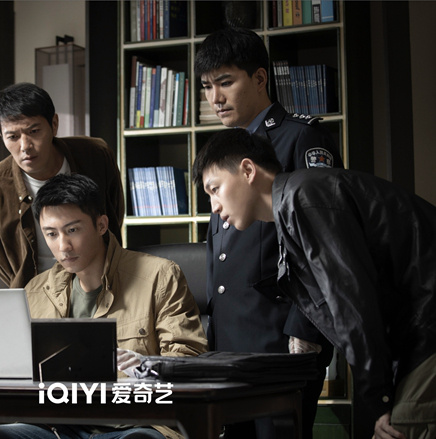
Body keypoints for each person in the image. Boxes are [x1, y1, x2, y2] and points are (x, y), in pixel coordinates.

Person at [0, 173, 207, 439]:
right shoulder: (38, 290)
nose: (62, 246)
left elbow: (188, 361)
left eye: (73, 230)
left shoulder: (158, 276)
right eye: (51, 234)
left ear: (101, 225)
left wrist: (140, 369)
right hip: (58, 426)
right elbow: (1, 360)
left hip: (135, 425)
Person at [193, 128, 436, 439]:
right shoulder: (294, 204)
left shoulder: (304, 198)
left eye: (215, 189)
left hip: (427, 322)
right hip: (416, 329)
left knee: (401, 428)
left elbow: (352, 303)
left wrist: (379, 401)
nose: (214, 207)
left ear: (248, 170)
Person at [194, 26, 343, 438]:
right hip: (229, 343)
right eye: (207, 86)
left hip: (283, 338)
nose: (215, 98)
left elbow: (325, 239)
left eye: (226, 82)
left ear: (260, 78)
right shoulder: (223, 149)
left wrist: (307, 326)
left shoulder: (301, 137)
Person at [0, 83, 125, 288]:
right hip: (36, 290)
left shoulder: (95, 154)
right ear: (1, 135)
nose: (25, 146)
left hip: (102, 280)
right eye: (13, 137)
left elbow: (113, 213)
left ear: (54, 124)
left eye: (34, 131)